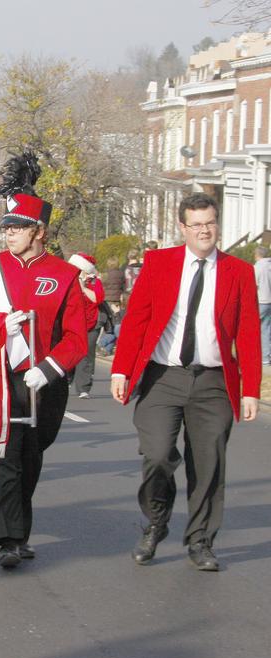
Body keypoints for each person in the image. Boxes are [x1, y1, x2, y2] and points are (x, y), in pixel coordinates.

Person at [111, 193, 261, 572]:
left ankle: (201, 541)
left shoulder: (237, 272)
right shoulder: (160, 263)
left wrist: (251, 389)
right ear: (183, 228)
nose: (204, 230)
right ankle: (156, 521)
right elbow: (137, 319)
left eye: (210, 222)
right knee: (158, 455)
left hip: (212, 381)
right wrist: (121, 369)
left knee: (208, 465)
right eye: (196, 224)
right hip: (164, 377)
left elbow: (247, 334)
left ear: (217, 224)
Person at [0, 151, 87, 569]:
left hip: (45, 383)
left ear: (39, 231)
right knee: (8, 458)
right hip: (2, 378)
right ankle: (9, 538)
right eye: (6, 226)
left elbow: (76, 337)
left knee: (32, 456)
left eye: (17, 227)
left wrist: (47, 370)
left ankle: (19, 528)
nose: (8, 233)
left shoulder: (64, 275)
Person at [67, 252, 106, 398]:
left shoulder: (94, 282)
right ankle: (68, 378)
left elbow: (98, 298)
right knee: (70, 352)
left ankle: (83, 388)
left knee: (87, 355)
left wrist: (83, 288)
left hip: (91, 323)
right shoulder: (67, 280)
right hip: (71, 322)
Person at [255, 245, 271, 365]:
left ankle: (254, 354)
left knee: (252, 329)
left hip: (260, 301)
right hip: (269, 301)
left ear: (257, 255)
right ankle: (266, 357)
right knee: (266, 329)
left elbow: (253, 285)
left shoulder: (258, 267)